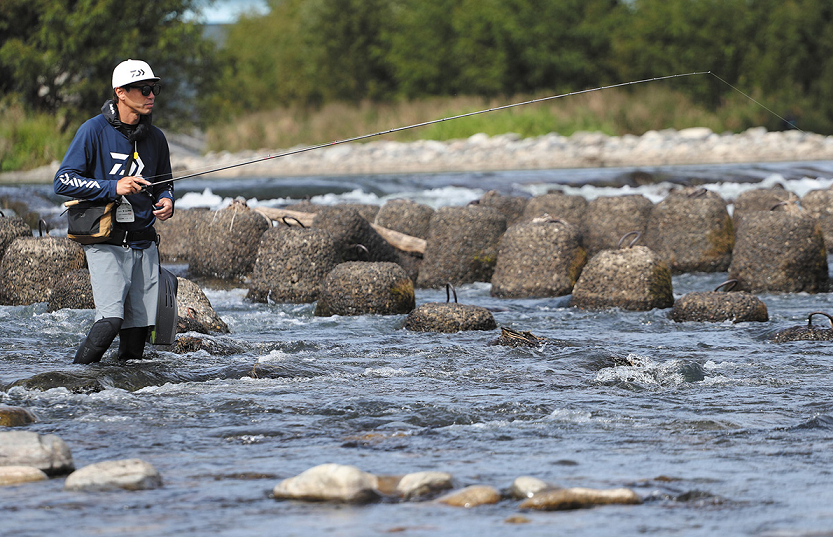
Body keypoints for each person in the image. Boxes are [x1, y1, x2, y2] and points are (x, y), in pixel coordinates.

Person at [54, 59, 174, 364]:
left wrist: (167, 200)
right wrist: (113, 187)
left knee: (136, 338)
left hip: (144, 242)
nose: (151, 95)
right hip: (106, 241)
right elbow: (63, 181)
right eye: (144, 89)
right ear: (120, 92)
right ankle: (74, 378)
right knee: (110, 322)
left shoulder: (156, 138)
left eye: (154, 88)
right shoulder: (92, 130)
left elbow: (165, 183)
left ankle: (126, 400)